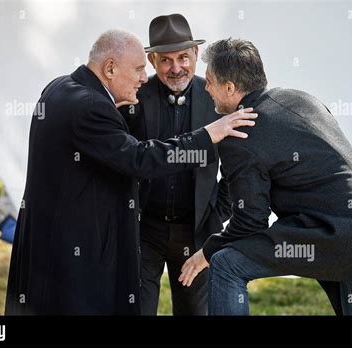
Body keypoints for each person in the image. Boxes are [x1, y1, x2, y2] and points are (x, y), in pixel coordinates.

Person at [4, 30, 257, 315]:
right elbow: (138, 157)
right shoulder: (92, 107)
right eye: (139, 69)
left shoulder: (61, 87)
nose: (142, 78)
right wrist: (206, 135)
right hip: (75, 247)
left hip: (53, 243)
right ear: (110, 68)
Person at [179, 38, 352, 315]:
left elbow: (250, 221)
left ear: (229, 87)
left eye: (209, 81)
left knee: (226, 263)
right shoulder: (299, 97)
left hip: (339, 230)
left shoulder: (239, 135)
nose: (205, 88)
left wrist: (208, 250)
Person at [120, 14, 231, 316]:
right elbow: (120, 158)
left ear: (196, 55)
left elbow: (238, 168)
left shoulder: (217, 99)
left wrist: (215, 214)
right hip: (144, 228)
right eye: (166, 60)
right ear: (152, 60)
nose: (176, 67)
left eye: (183, 57)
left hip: (196, 231)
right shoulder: (133, 98)